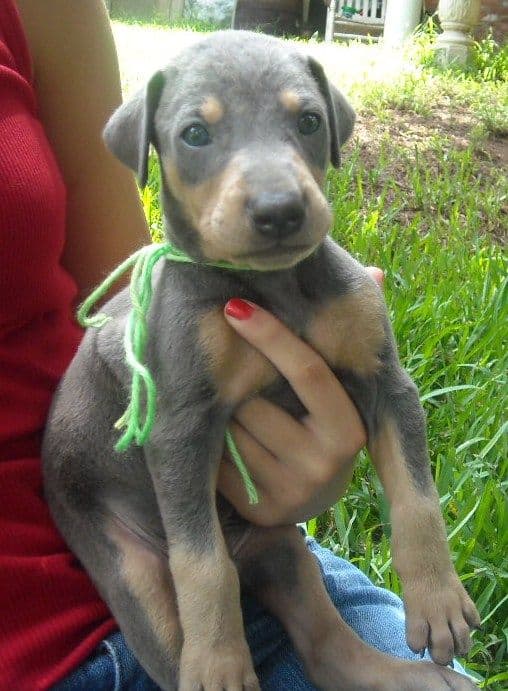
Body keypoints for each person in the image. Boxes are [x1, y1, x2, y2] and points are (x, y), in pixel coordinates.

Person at [0, 1, 467, 689]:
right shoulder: (190, 311)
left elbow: (391, 392)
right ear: (150, 152)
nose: (274, 193)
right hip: (113, 517)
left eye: (304, 123)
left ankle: (331, 645)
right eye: (197, 134)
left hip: (258, 529)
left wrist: (419, 542)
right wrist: (212, 624)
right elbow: (174, 433)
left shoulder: (42, 12)